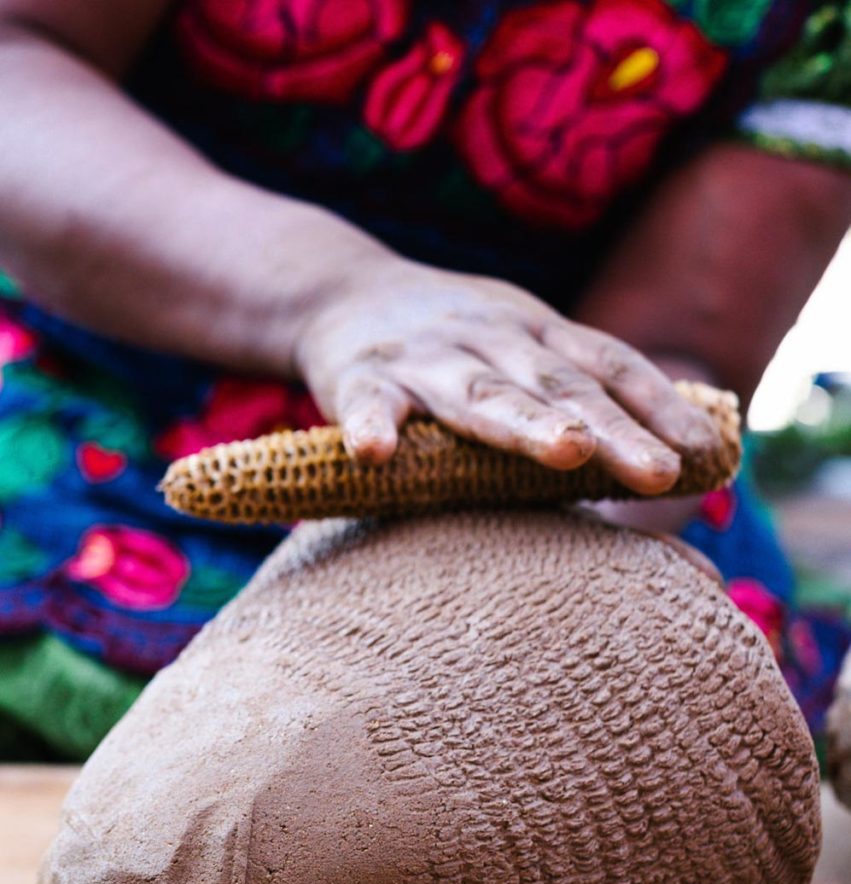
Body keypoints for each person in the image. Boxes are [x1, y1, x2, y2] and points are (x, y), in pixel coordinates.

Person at [0, 0, 849, 760]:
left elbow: (677, 346)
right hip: (93, 400)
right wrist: (336, 291)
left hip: (550, 489)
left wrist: (517, 584)